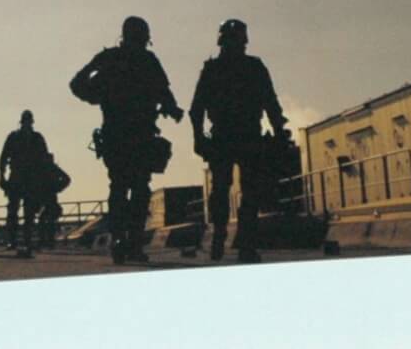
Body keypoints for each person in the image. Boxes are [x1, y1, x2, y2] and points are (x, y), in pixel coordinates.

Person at [70, 15, 182, 265]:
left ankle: (121, 240)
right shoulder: (147, 60)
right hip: (139, 135)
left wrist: (97, 95)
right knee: (139, 188)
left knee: (120, 187)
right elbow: (165, 93)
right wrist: (171, 109)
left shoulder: (110, 58)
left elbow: (77, 84)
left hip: (117, 135)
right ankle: (132, 241)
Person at [190, 18, 289, 263]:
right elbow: (271, 103)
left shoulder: (213, 69)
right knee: (247, 192)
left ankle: (221, 237)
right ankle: (244, 245)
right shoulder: (253, 67)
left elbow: (197, 109)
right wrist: (279, 131)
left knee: (223, 190)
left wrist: (198, 137)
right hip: (246, 136)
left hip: (225, 137)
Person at [0, 109, 53, 256]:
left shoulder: (37, 138)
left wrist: (43, 180)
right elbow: (3, 157)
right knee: (13, 210)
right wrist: (1, 176)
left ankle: (26, 240)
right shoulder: (14, 137)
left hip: (31, 179)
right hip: (17, 177)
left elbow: (44, 160)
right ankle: (12, 240)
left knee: (29, 212)